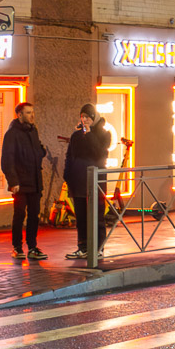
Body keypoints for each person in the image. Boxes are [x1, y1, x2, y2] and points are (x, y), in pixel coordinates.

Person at [1, 101, 48, 260]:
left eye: (32, 112)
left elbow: (37, 151)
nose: (32, 115)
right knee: (19, 215)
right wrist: (13, 181)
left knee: (34, 215)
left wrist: (41, 151)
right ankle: (17, 247)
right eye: (28, 112)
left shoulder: (33, 131)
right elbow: (7, 160)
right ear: (19, 115)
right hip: (21, 183)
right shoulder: (12, 134)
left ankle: (33, 247)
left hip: (35, 182)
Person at [63, 103, 111, 260]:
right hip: (78, 180)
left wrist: (89, 135)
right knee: (81, 216)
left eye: (88, 117)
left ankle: (98, 247)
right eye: (82, 117)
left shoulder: (104, 134)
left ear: (94, 118)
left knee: (96, 214)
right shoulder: (76, 136)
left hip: (95, 181)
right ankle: (82, 247)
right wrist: (67, 175)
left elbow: (99, 154)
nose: (85, 120)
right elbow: (70, 156)